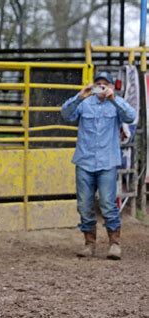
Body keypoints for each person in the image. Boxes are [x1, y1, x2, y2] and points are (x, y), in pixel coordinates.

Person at [61, 71, 136, 260]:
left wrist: (114, 99)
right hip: (85, 161)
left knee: (107, 204)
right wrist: (80, 96)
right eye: (98, 84)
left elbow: (131, 116)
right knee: (84, 205)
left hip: (107, 162)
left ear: (110, 87)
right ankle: (89, 244)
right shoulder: (84, 103)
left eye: (105, 84)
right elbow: (65, 114)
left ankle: (115, 244)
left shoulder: (116, 105)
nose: (101, 87)